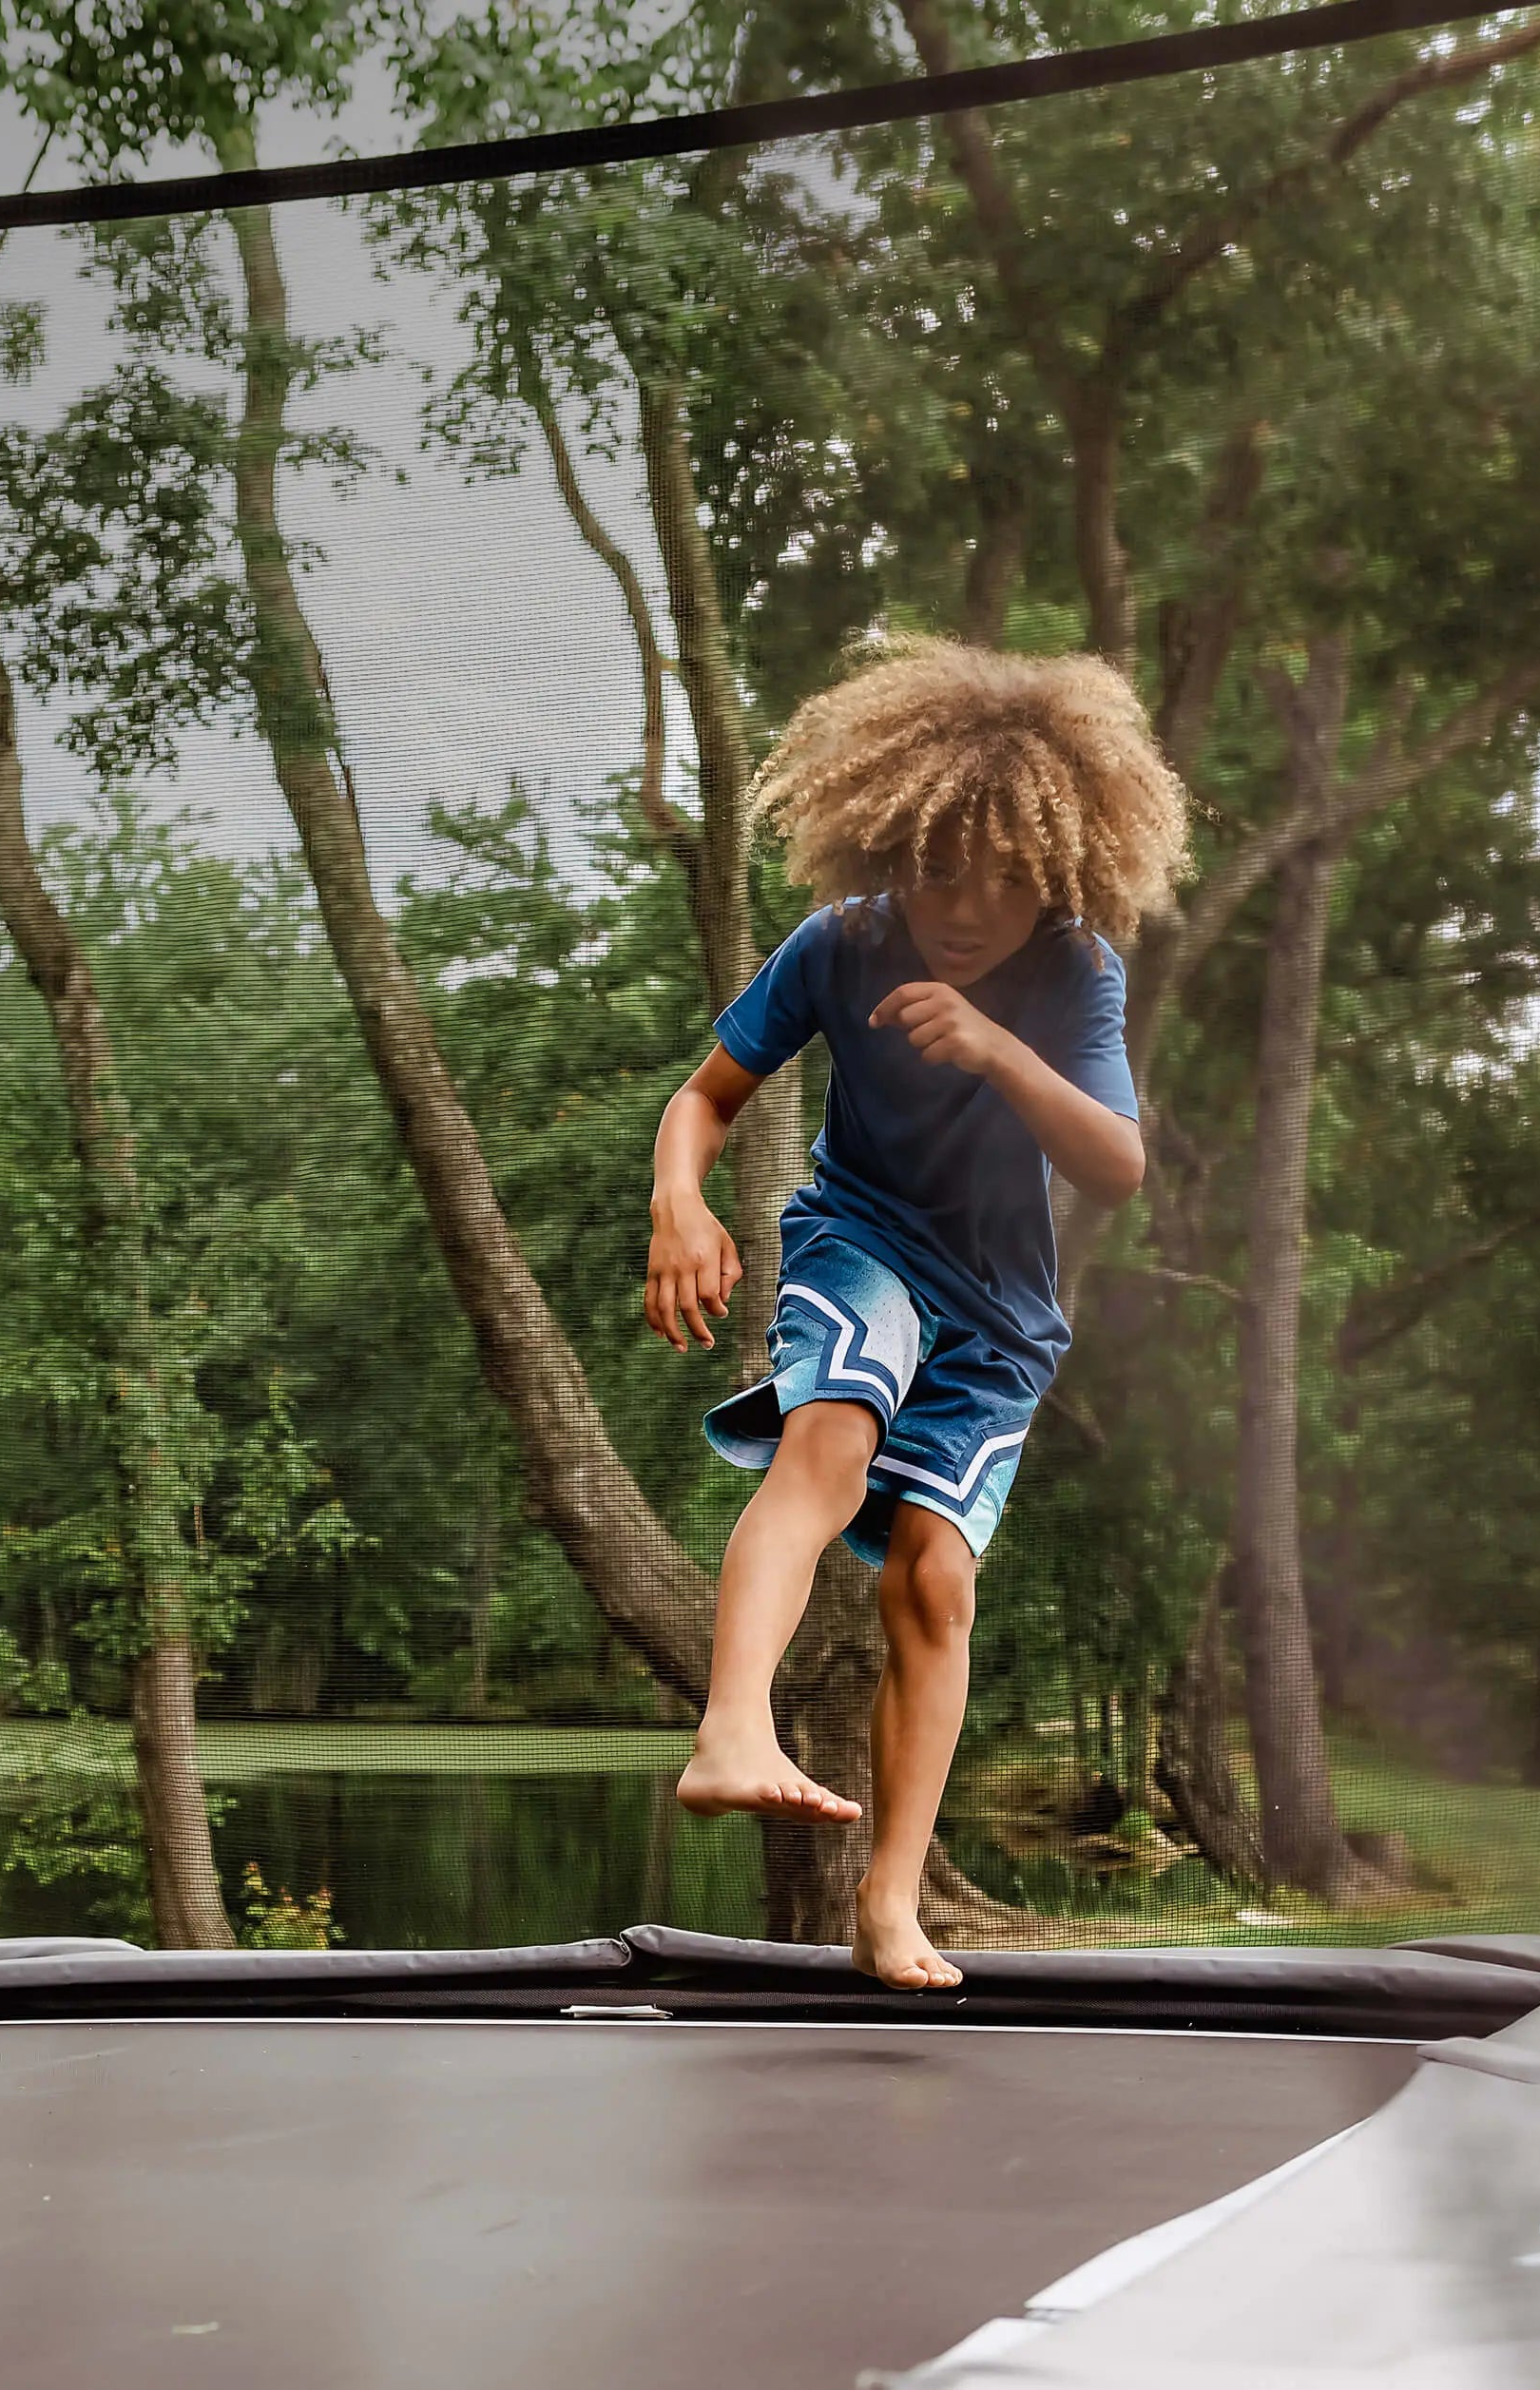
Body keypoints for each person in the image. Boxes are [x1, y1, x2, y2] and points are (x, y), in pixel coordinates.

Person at [643, 639, 1193, 1990]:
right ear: (890, 845)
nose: (967, 906)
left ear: (1060, 868)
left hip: (1001, 1317)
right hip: (864, 1240)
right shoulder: (844, 943)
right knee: (829, 1434)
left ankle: (889, 1902)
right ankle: (732, 1727)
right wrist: (680, 1205)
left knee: (935, 1579)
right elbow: (705, 1096)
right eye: (939, 868)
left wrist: (1000, 1049)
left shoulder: (1075, 971)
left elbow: (1118, 1164)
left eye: (1008, 876)